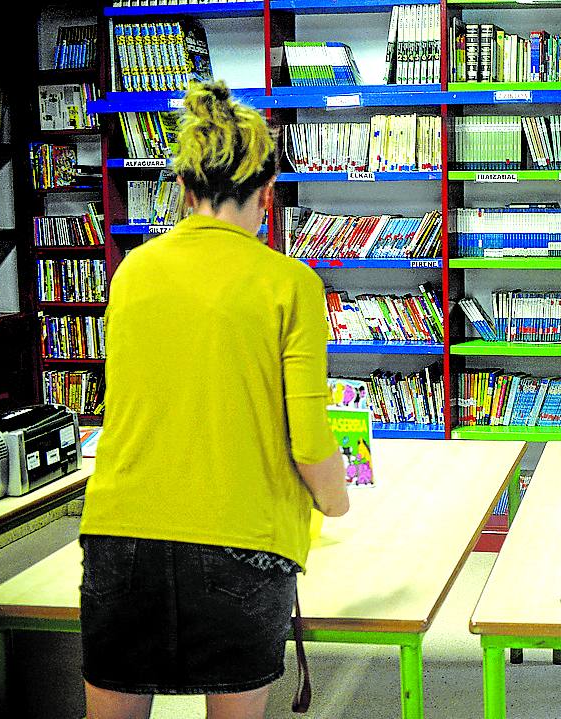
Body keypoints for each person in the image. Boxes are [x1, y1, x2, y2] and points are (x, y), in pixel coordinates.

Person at [78, 81, 349, 719]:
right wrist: (335, 502)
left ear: (184, 188)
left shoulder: (132, 272)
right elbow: (309, 442)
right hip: (241, 543)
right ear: (268, 194)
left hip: (121, 535)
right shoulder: (292, 284)